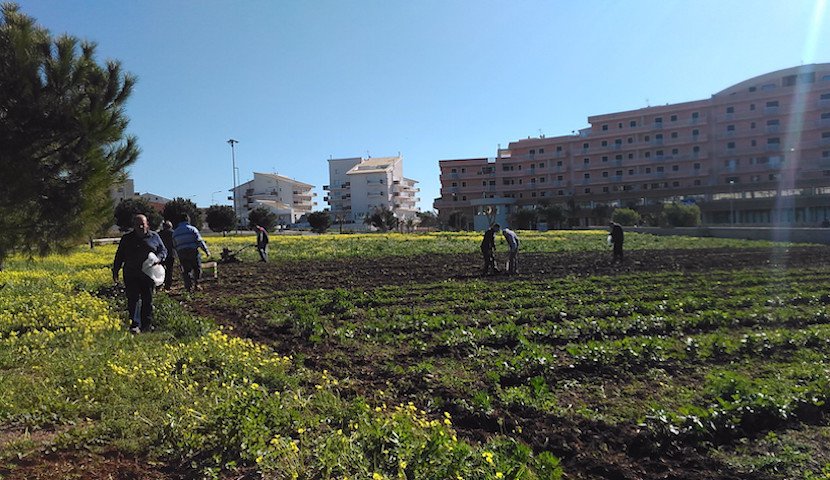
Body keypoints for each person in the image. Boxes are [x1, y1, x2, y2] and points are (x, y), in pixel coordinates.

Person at [112, 214, 167, 333]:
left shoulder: (154, 237)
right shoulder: (127, 238)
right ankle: (135, 325)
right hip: (131, 273)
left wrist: (159, 258)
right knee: (133, 299)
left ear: (147, 224)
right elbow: (119, 255)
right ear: (134, 226)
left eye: (143, 224)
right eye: (138, 225)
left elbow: (163, 250)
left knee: (148, 299)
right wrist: (115, 270)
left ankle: (146, 325)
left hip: (148, 274)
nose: (141, 226)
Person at [172, 213, 211, 292]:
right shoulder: (192, 229)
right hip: (192, 251)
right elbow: (199, 241)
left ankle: (188, 287)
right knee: (197, 268)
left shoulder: (175, 232)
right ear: (187, 220)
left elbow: (174, 245)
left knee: (186, 270)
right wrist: (206, 251)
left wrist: (177, 255)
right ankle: (197, 284)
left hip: (182, 252)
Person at [158, 220, 176, 290]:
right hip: (170, 254)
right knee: (169, 270)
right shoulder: (173, 233)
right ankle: (167, 286)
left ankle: (160, 284)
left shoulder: (159, 234)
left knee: (161, 270)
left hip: (161, 254)